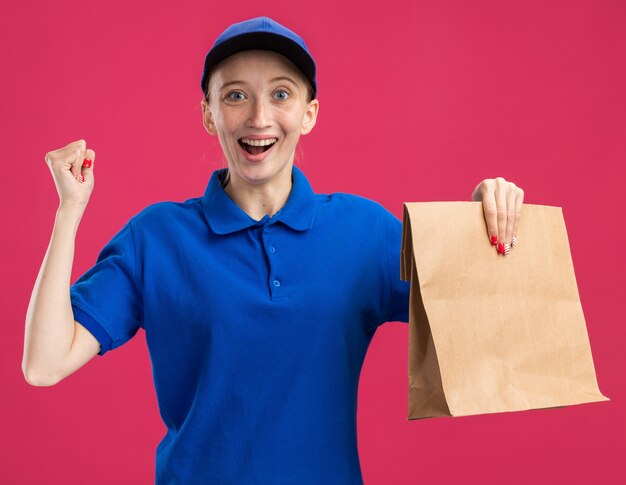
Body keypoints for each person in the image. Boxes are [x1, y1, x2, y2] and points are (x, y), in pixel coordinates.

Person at [23, 16, 524, 484]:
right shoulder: (156, 238)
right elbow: (44, 364)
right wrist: (69, 212)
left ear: (309, 114)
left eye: (280, 95)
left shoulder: (363, 232)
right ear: (208, 113)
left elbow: (481, 335)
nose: (259, 117)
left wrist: (478, 227)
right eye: (236, 95)